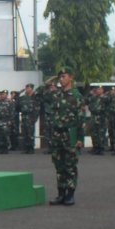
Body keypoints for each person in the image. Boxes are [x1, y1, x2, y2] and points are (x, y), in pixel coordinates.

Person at [43, 67, 84, 206]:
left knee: (70, 166)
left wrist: (79, 138)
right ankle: (61, 194)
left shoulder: (76, 96)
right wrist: (50, 81)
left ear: (71, 77)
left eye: (64, 76)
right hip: (57, 135)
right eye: (60, 77)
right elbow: (39, 94)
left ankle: (70, 194)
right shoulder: (56, 94)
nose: (62, 79)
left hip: (70, 134)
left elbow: (81, 119)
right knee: (59, 165)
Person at [86, 85, 108, 155]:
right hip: (94, 117)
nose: (98, 91)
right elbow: (85, 101)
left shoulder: (105, 98)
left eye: (99, 89)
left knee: (101, 134)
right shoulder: (93, 98)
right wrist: (90, 94)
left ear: (102, 90)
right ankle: (95, 147)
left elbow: (109, 101)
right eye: (97, 89)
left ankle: (101, 148)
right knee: (94, 133)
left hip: (101, 118)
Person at [16, 84, 37, 153]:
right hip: (24, 116)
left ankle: (31, 148)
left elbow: (37, 108)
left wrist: (35, 117)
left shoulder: (35, 97)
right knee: (25, 133)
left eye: (28, 88)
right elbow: (17, 104)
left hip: (31, 117)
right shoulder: (23, 98)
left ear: (32, 89)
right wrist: (19, 92)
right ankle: (26, 148)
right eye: (26, 87)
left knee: (30, 133)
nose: (27, 89)